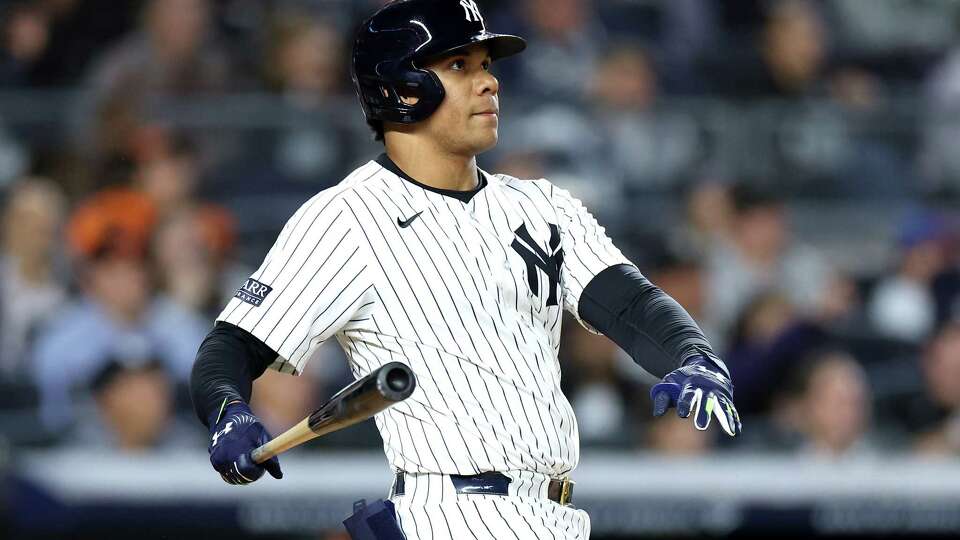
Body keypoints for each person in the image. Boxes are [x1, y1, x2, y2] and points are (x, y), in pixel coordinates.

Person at [189, 2, 740, 539]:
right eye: (459, 66)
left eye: (485, 66)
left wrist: (693, 353)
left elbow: (629, 304)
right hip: (447, 515)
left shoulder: (543, 204)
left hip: (559, 515)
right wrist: (229, 412)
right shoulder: (347, 217)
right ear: (402, 89)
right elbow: (231, 348)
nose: (488, 83)